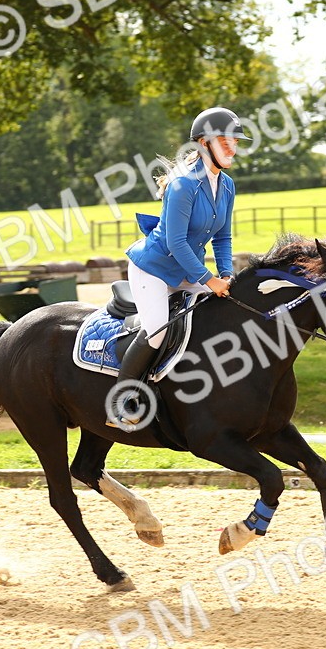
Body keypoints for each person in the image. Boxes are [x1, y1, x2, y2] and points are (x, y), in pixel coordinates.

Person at [107, 106, 250, 427]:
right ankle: (121, 402)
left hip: (187, 271)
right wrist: (208, 279)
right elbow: (176, 243)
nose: (232, 147)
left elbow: (223, 236)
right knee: (157, 329)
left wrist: (225, 273)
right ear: (203, 143)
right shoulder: (184, 185)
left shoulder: (227, 185)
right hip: (153, 269)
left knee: (230, 309)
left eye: (235, 141)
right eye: (224, 140)